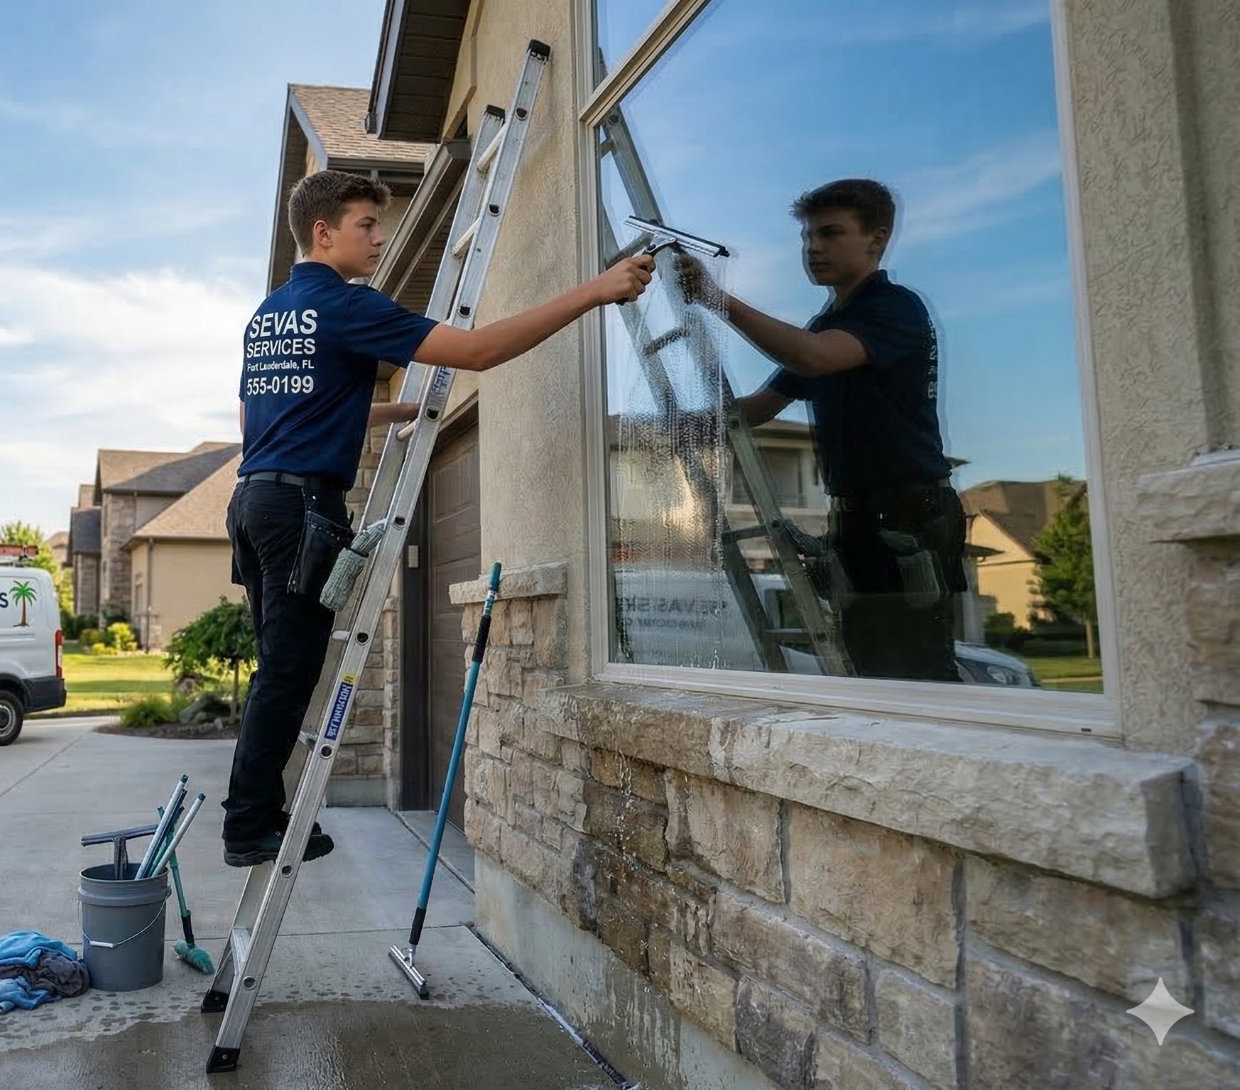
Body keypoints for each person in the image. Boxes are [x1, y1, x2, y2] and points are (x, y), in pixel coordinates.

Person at [222, 169, 655, 867]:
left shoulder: (269, 315)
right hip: (301, 508)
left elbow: (257, 420)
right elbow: (478, 351)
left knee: (280, 668)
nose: (379, 237)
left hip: (253, 503)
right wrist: (596, 291)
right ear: (324, 232)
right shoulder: (345, 305)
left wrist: (389, 411)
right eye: (366, 225)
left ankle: (258, 813)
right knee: (288, 673)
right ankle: (247, 826)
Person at [677, 178, 964, 682]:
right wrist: (680, 427)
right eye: (807, 236)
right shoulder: (829, 321)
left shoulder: (894, 308)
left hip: (909, 519)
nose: (813, 247)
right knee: (870, 669)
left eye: (830, 234)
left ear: (876, 239)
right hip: (859, 522)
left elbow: (813, 357)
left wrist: (714, 298)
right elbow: (761, 408)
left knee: (917, 677)